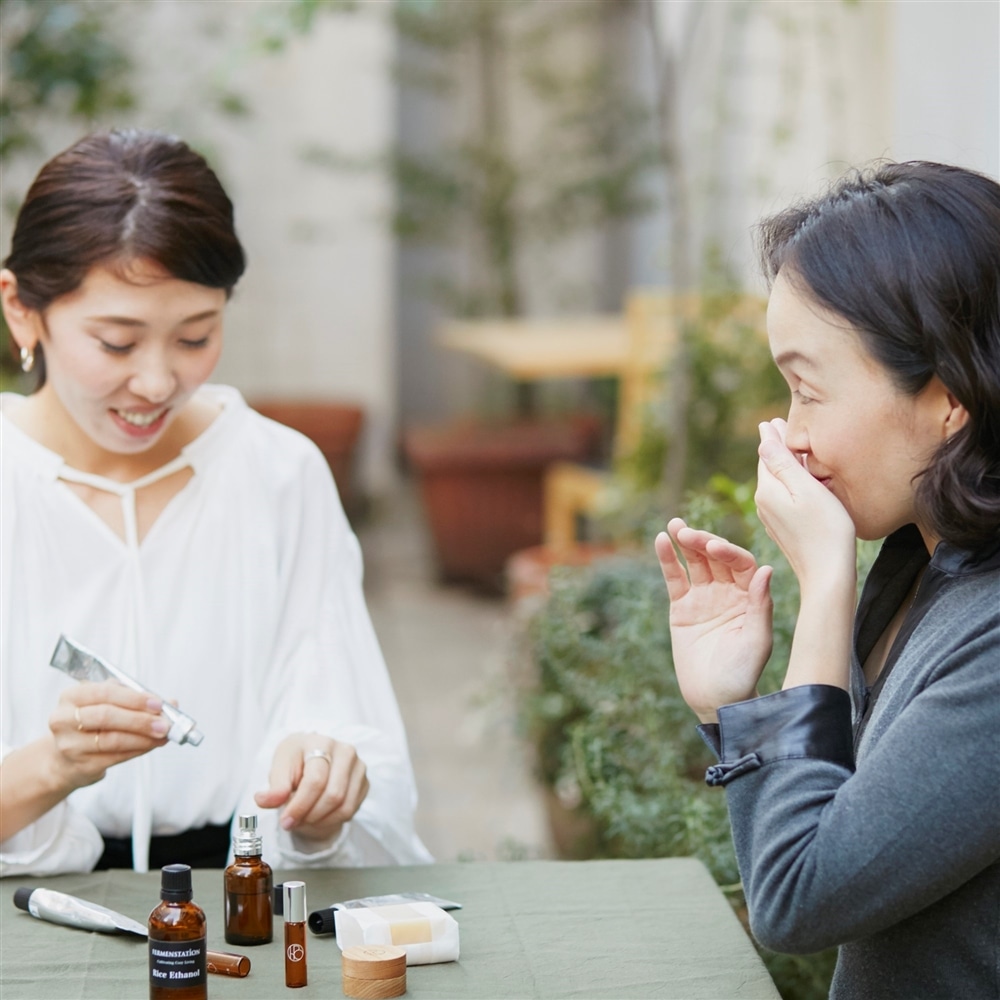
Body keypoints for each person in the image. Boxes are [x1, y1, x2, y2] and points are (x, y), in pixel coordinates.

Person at [0, 129, 432, 875]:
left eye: (196, 335)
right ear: (21, 311)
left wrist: (324, 778)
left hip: (241, 906)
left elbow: (345, 721)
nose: (159, 382)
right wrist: (51, 766)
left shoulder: (276, 473)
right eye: (116, 343)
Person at [655, 161, 1000, 999]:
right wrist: (729, 703)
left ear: (948, 396)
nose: (789, 435)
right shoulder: (923, 564)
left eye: (807, 391)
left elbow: (798, 897)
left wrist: (823, 589)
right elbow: (816, 836)